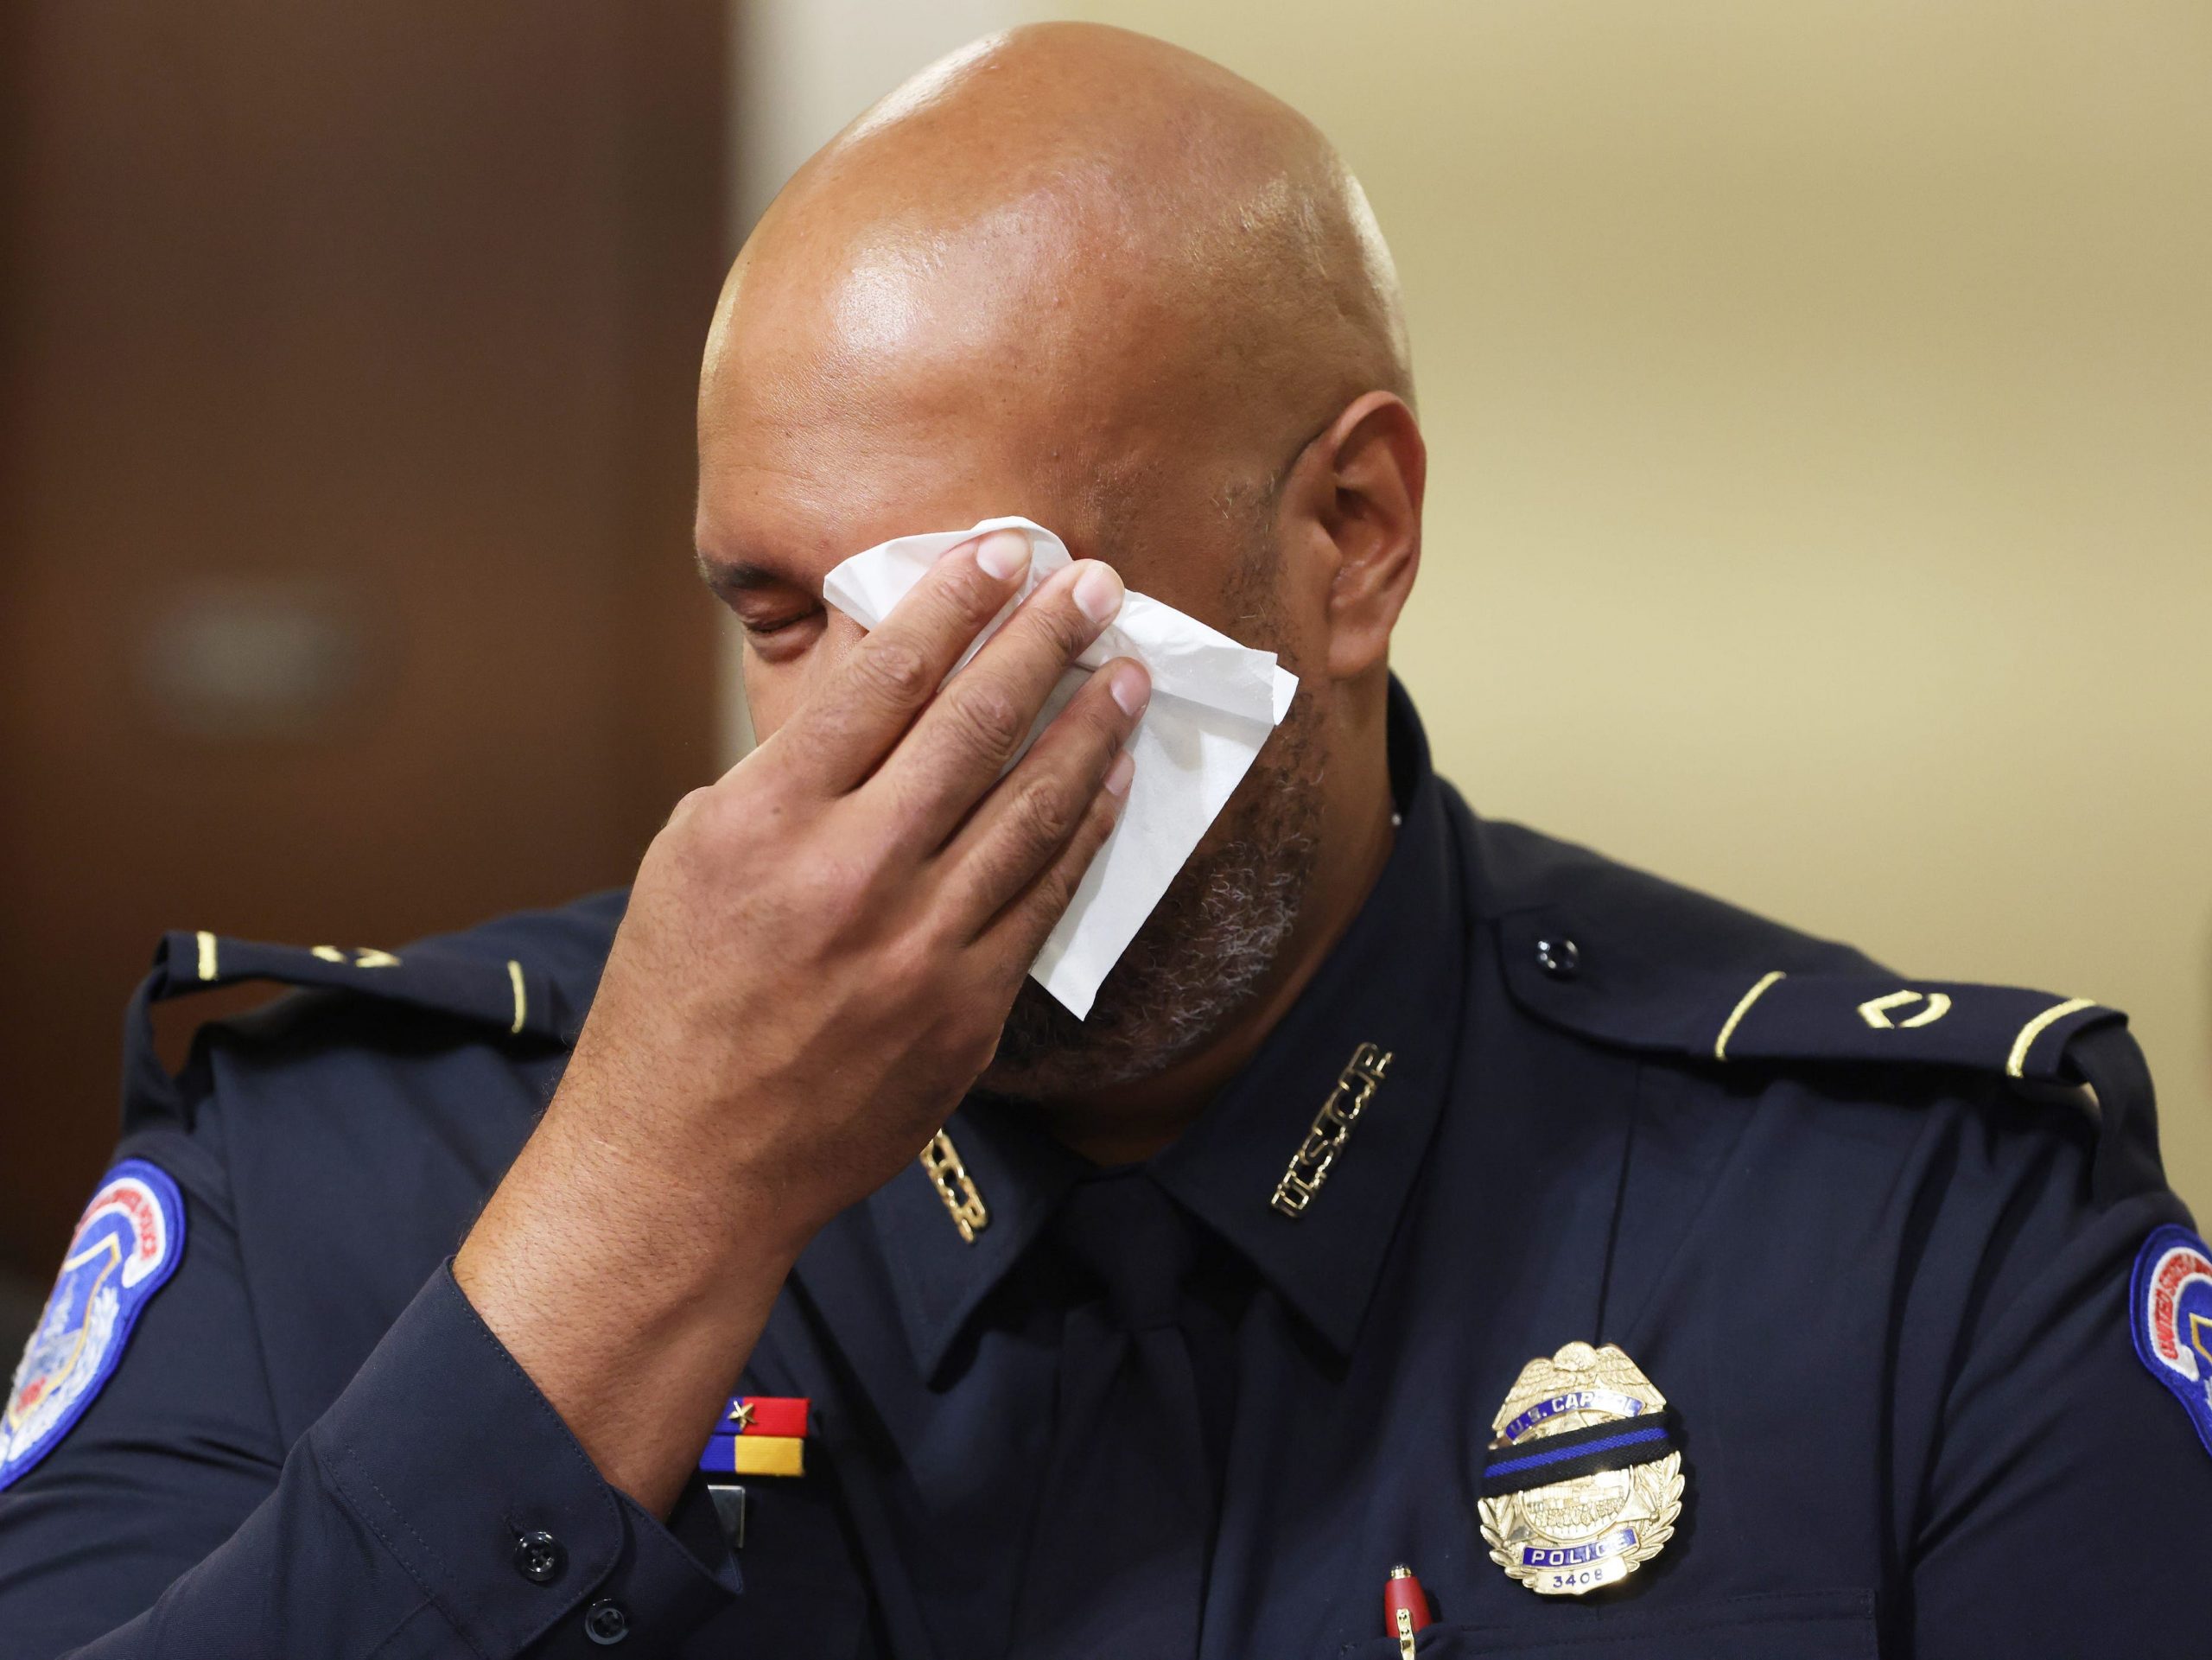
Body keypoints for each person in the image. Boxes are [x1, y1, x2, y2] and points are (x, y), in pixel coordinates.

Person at [2, 22, 2207, 1659]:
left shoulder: (1916, 1227)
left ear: (1350, 536)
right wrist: (652, 1198)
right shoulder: (338, 1170)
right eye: (785, 617)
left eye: (972, 614)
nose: (868, 735)